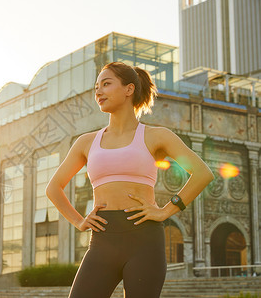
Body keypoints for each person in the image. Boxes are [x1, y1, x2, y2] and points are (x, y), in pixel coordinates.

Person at [45, 62, 215, 298]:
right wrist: (79, 221)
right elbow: (53, 188)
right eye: (96, 87)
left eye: (106, 84)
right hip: (103, 239)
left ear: (129, 89)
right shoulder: (86, 142)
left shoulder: (157, 136)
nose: (98, 91)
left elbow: (203, 173)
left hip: (144, 239)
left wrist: (165, 211)